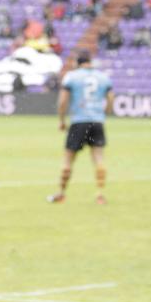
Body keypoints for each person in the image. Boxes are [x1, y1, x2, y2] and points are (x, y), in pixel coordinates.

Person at [48, 51, 114, 205]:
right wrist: (105, 112)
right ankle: (100, 194)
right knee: (98, 158)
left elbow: (63, 101)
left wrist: (62, 120)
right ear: (90, 61)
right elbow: (111, 97)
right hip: (97, 122)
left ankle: (61, 193)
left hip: (79, 122)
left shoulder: (72, 76)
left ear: (78, 62)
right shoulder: (102, 77)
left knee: (68, 160)